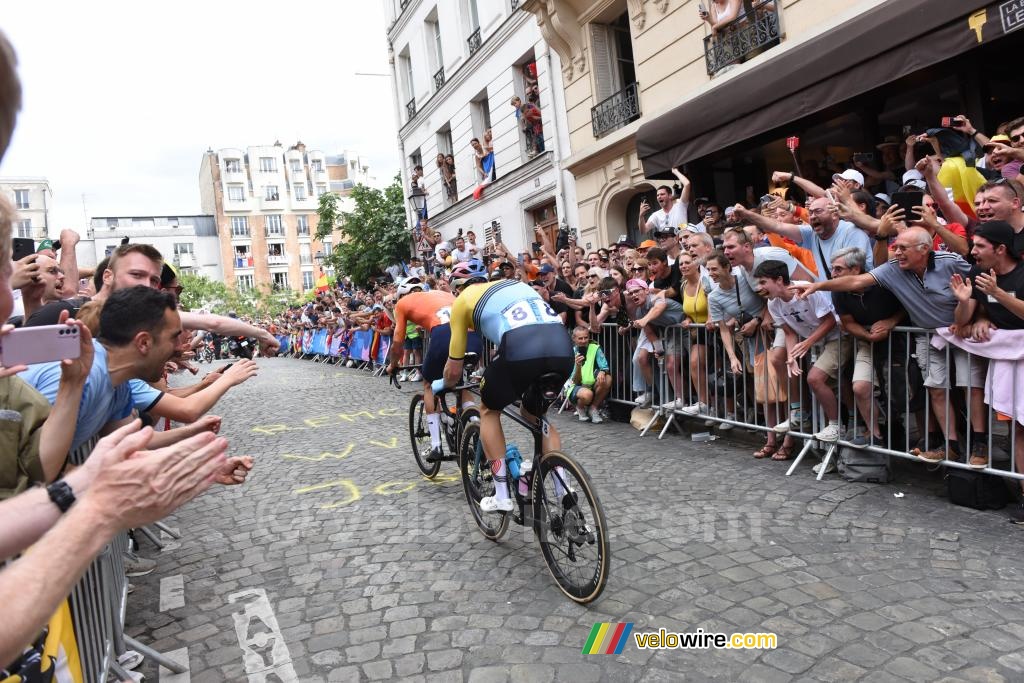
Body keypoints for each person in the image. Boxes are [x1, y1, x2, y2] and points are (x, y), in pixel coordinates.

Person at [792, 227, 985, 463]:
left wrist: (978, 317)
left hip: (962, 333)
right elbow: (856, 281)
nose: (897, 252)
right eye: (895, 247)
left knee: (971, 388)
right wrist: (817, 286)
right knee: (936, 389)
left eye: (903, 248)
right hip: (929, 336)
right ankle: (950, 445)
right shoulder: (892, 269)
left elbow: (980, 280)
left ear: (924, 249)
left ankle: (980, 445)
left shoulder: (950, 262)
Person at [434, 260, 574, 513]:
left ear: (457, 289)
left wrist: (443, 384)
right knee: (534, 415)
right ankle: (562, 486)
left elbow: (454, 370)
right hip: (562, 347)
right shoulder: (515, 285)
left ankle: (501, 494)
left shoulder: (462, 301)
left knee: (489, 409)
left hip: (521, 347)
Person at [388, 276, 481, 462]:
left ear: (400, 295)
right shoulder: (441, 293)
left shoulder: (403, 303)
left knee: (429, 385)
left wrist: (393, 365)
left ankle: (437, 446)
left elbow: (398, 341)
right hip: (472, 335)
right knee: (461, 383)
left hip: (445, 334)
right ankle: (476, 424)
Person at [568, 326, 611, 423]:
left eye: (586, 337)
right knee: (587, 394)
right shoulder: (570, 352)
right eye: (580, 338)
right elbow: (575, 381)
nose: (583, 341)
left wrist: (602, 372)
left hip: (591, 384)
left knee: (607, 379)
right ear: (574, 339)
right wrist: (578, 366)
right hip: (576, 387)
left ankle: (593, 409)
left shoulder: (595, 348)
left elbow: (605, 367)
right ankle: (580, 407)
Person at [639, 168, 691, 235]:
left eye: (662, 194)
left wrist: (675, 171)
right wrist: (641, 216)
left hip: (683, 243)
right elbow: (643, 231)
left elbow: (687, 184)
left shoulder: (680, 205)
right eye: (657, 195)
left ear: (670, 196)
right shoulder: (656, 215)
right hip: (668, 245)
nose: (659, 196)